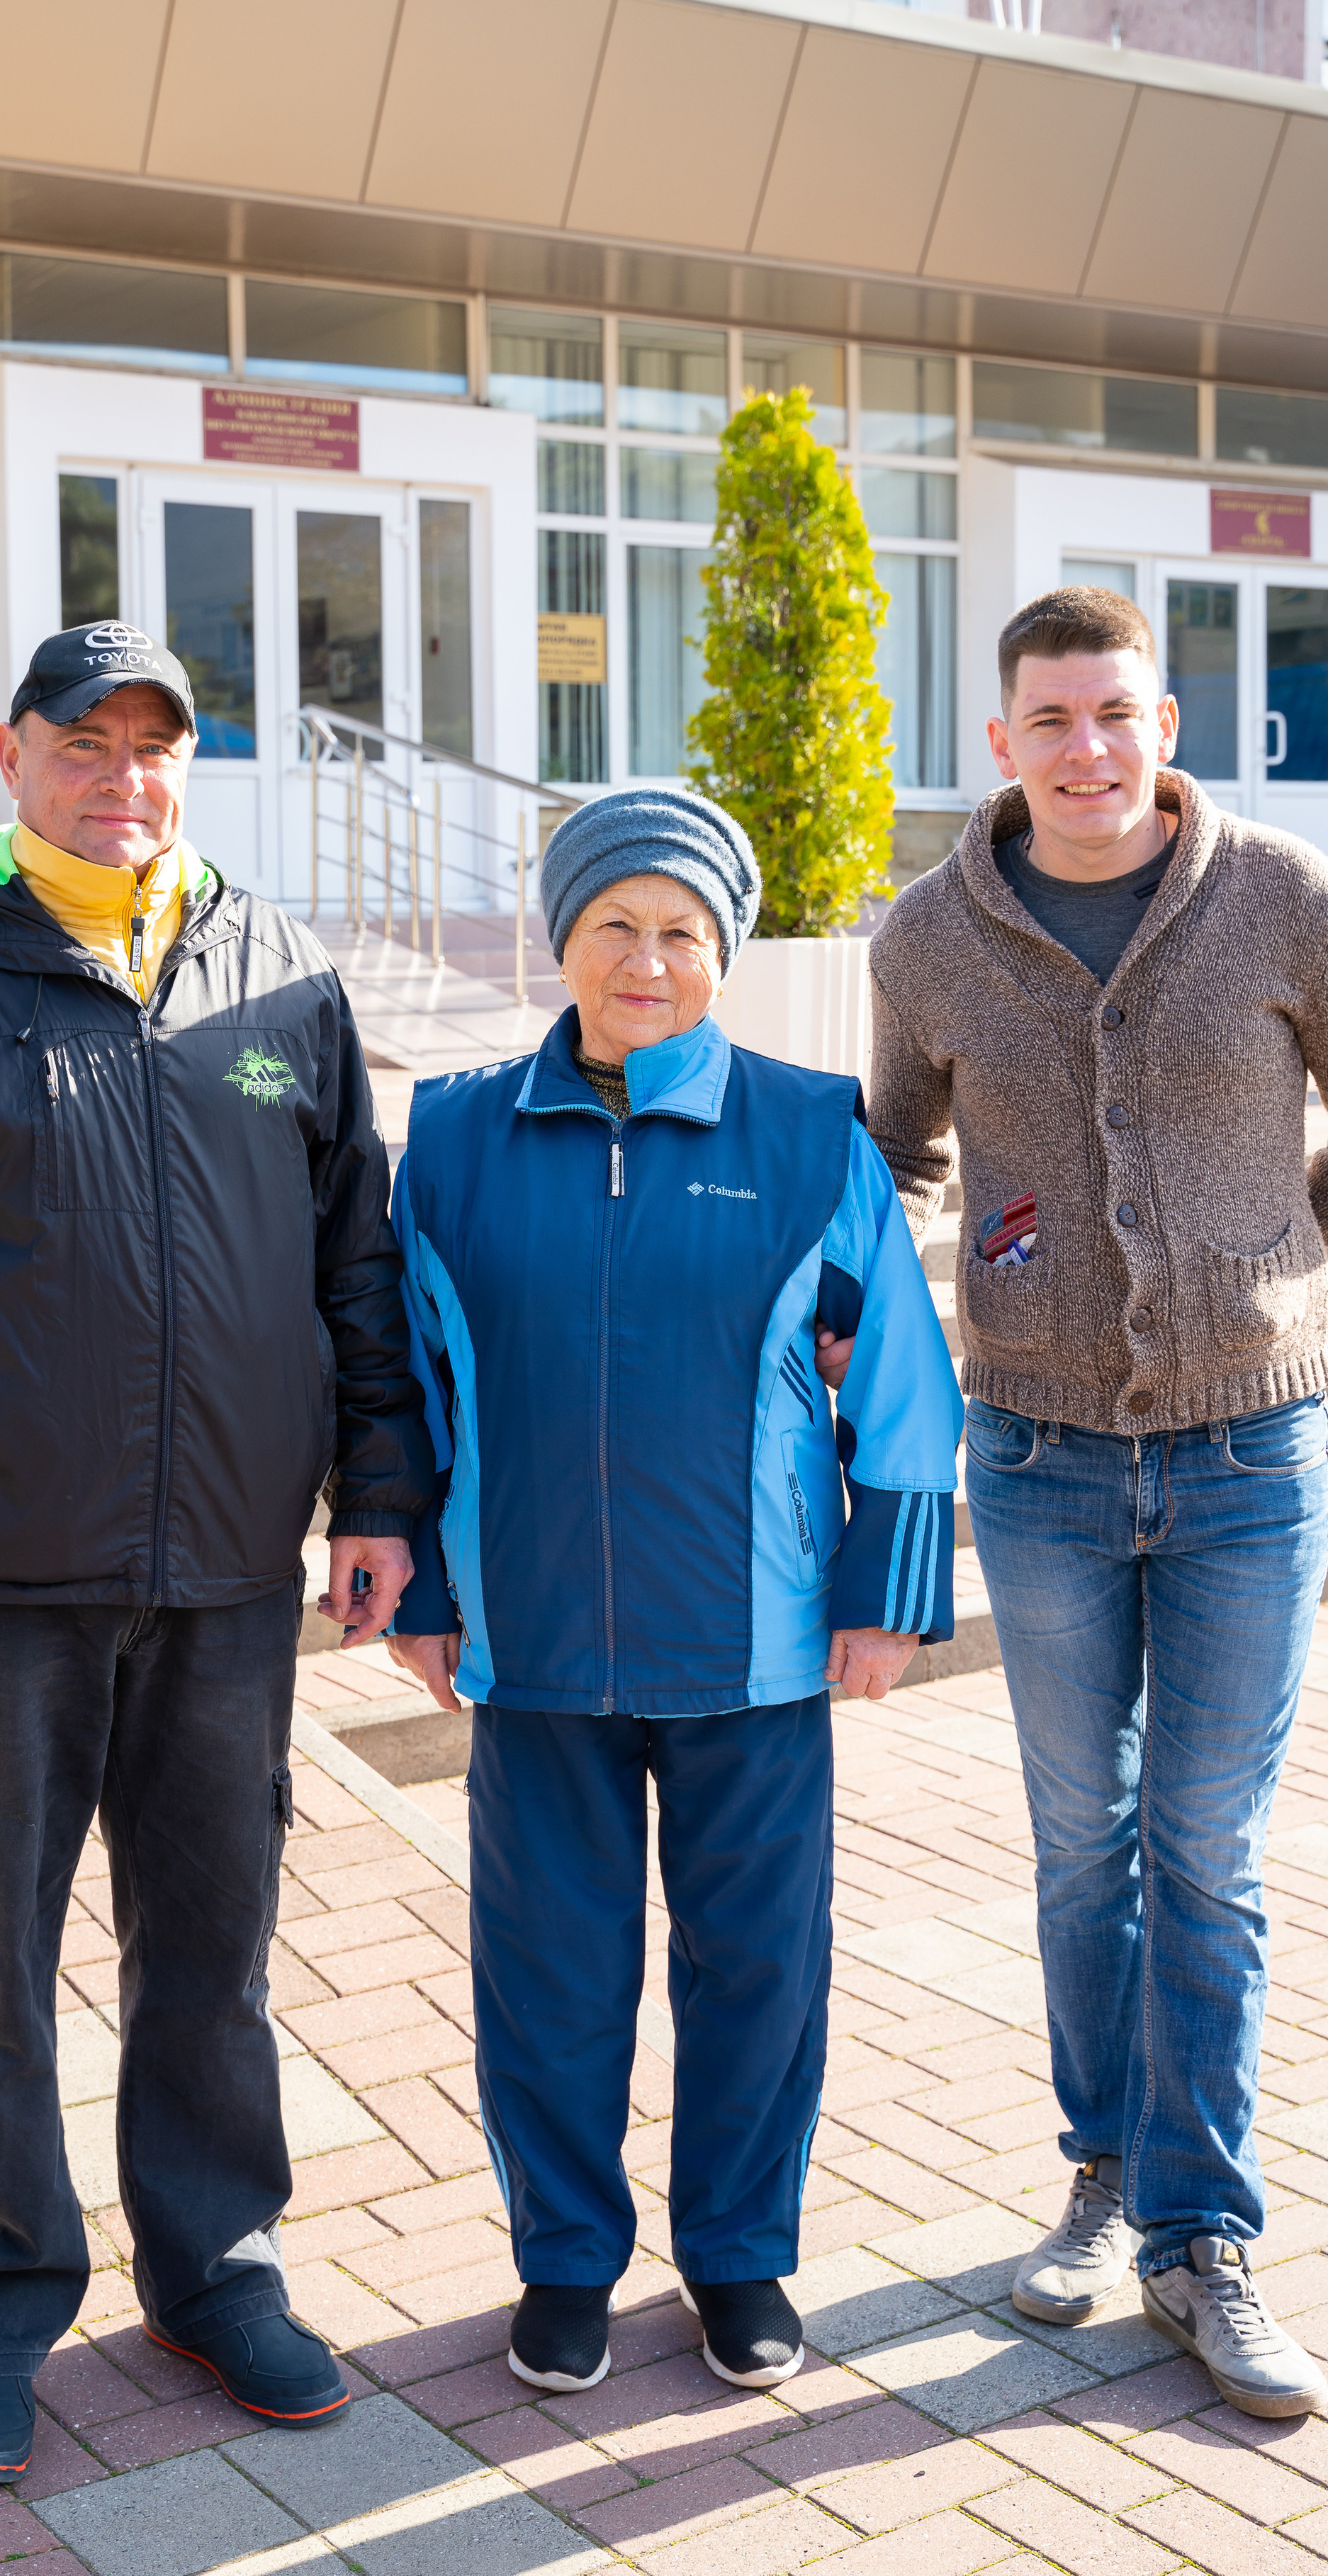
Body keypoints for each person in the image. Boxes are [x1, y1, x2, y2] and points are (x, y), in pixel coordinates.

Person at [0, 623, 432, 2484]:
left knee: (215, 1947)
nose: (120, 778)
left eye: (155, 746)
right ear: (11, 751)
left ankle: (221, 2266)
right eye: (82, 743)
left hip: (226, 1580)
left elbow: (355, 1259)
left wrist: (381, 1497)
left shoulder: (278, 966)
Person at [847, 584, 1328, 2419]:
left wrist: (1269, 1263)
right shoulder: (930, 937)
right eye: (1055, 719)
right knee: (1078, 1843)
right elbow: (897, 1149)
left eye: (1117, 714)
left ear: (1165, 722)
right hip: (1034, 1460)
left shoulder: (1282, 896)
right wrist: (966, 1266)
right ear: (1002, 741)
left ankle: (1205, 2233)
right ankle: (1100, 2173)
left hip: (1250, 1460)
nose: (1090, 749)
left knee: (1206, 1849)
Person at [383, 785, 964, 2397]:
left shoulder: (806, 1134)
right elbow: (406, 1388)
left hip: (758, 1642)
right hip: (537, 1637)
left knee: (758, 1969)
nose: (646, 960)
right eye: (613, 927)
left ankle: (737, 2253)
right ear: (560, 938)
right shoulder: (450, 1140)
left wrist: (883, 1588)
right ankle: (564, 2259)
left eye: (682, 934)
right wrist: (422, 1580)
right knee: (551, 1968)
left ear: (725, 953)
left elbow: (902, 1380)